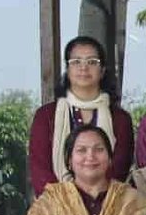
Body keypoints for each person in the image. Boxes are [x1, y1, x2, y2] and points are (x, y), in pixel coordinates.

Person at [28, 36, 134, 195]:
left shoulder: (120, 119)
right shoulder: (46, 116)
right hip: (55, 205)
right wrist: (65, 203)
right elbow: (39, 169)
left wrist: (94, 200)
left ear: (102, 70)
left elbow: (119, 169)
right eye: (76, 62)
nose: (84, 67)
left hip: (107, 204)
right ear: (67, 70)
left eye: (92, 62)